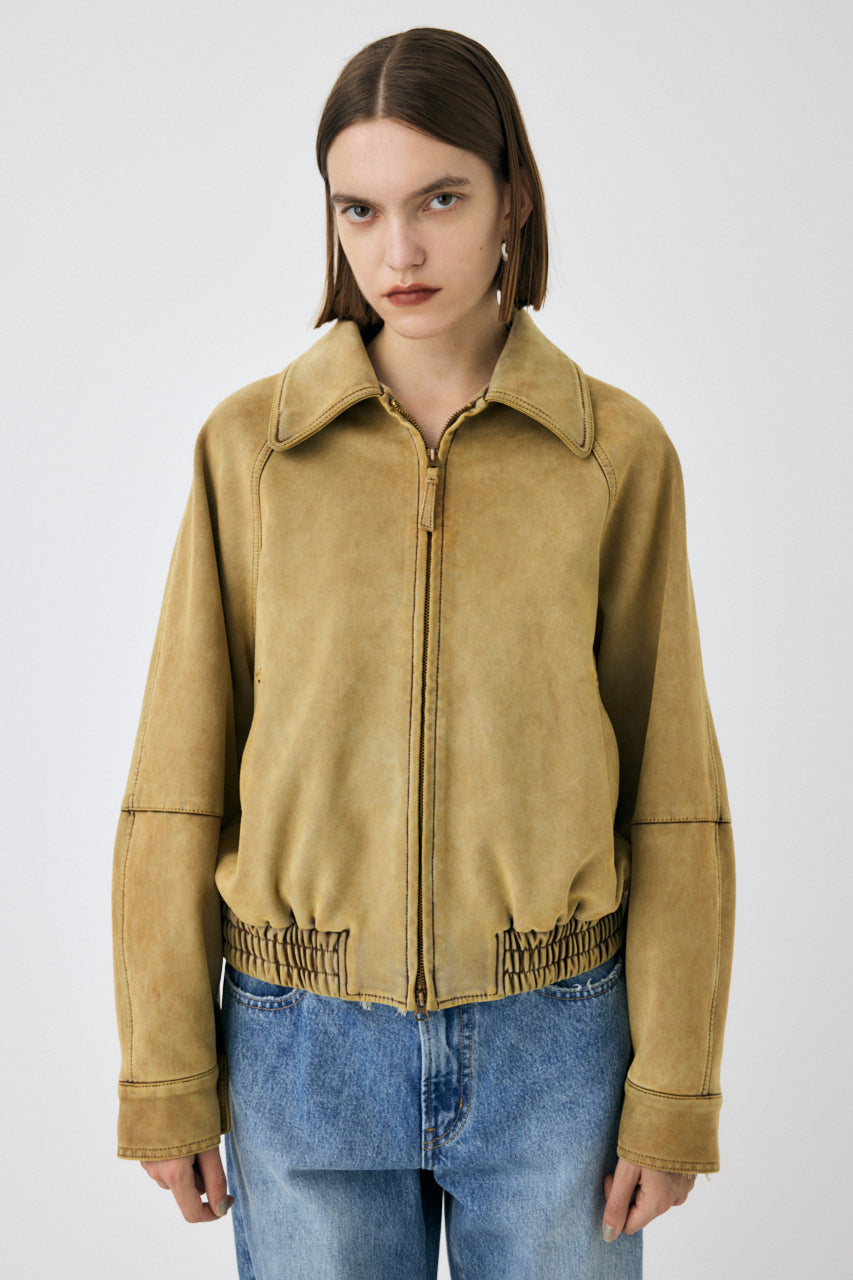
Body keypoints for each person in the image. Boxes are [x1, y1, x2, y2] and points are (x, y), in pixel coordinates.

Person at [112, 26, 735, 1280]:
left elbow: (671, 788)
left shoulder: (612, 454)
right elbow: (179, 776)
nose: (398, 250)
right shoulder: (253, 452)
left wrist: (674, 1085)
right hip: (299, 1042)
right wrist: (165, 1068)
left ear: (513, 199)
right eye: (361, 208)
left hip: (555, 1040)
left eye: (440, 199)